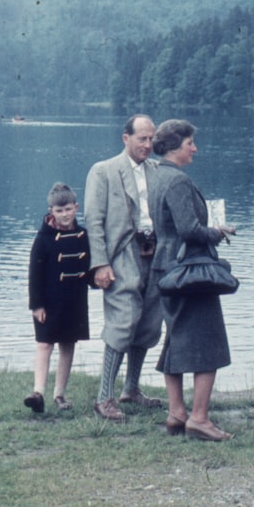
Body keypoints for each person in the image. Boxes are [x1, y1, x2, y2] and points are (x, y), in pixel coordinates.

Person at [149, 119, 237, 441]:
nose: (195, 148)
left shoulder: (158, 175)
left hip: (165, 268)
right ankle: (199, 418)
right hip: (190, 273)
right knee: (208, 342)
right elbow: (189, 230)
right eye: (190, 143)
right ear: (176, 146)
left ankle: (177, 413)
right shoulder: (178, 181)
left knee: (175, 338)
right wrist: (218, 232)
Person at [84, 114, 165, 421]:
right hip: (120, 256)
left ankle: (131, 389)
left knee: (148, 322)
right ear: (125, 138)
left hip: (154, 255)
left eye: (151, 139)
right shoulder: (103, 171)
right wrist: (100, 264)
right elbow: (93, 221)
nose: (148, 144)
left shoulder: (158, 170)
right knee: (123, 320)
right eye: (142, 138)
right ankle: (103, 397)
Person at [24, 182, 91, 413]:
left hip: (74, 300)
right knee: (44, 344)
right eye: (59, 210)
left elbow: (89, 267)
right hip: (49, 302)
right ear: (51, 211)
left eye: (68, 209)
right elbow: (34, 273)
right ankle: (38, 392)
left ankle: (60, 395)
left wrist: (99, 279)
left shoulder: (84, 235)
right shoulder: (43, 238)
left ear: (76, 207)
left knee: (67, 345)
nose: (64, 215)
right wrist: (36, 304)